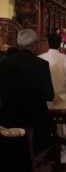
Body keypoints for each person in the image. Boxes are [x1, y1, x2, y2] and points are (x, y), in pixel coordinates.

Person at [0, 29, 54, 172]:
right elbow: (49, 95)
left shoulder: (4, 63)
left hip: (8, 120)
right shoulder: (41, 64)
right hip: (35, 121)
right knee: (48, 131)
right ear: (34, 45)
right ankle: (38, 163)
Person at [39, 34, 66, 163]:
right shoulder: (65, 60)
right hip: (62, 101)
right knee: (64, 131)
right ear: (60, 44)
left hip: (44, 102)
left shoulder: (40, 58)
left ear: (47, 43)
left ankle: (46, 157)